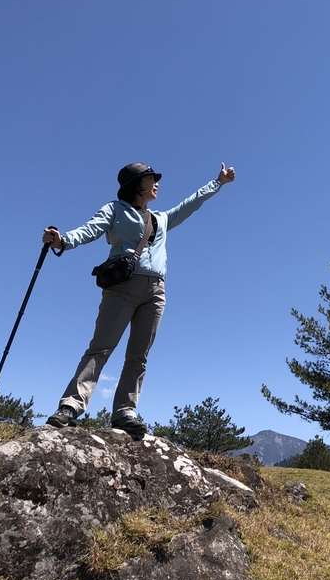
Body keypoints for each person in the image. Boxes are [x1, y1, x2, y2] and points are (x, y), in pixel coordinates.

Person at [42, 161, 236, 439]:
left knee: (138, 357)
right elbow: (90, 229)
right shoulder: (115, 210)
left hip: (156, 291)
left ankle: (124, 412)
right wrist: (62, 241)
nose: (156, 183)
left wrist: (217, 183)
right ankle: (71, 405)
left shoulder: (161, 218)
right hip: (122, 286)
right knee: (101, 347)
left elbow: (191, 204)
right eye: (150, 178)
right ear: (136, 185)